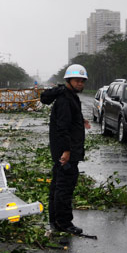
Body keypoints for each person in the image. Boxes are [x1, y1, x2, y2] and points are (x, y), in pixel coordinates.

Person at [40, 64, 90, 235]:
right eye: (77, 80)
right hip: (65, 153)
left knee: (57, 186)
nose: (80, 84)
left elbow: (69, 118)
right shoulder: (65, 99)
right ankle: (64, 223)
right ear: (69, 80)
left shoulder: (69, 96)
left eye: (82, 81)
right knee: (64, 188)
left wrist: (80, 120)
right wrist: (67, 152)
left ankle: (55, 221)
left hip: (63, 152)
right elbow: (62, 128)